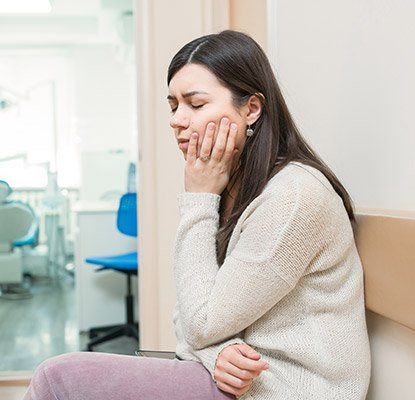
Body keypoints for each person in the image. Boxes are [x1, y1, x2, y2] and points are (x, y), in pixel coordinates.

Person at [23, 30, 370, 400]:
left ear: (251, 108)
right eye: (174, 105)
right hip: (241, 383)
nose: (177, 120)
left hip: (286, 391)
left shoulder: (294, 196)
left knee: (57, 378)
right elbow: (189, 314)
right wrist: (217, 351)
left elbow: (200, 323)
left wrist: (200, 198)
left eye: (196, 104)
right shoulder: (235, 187)